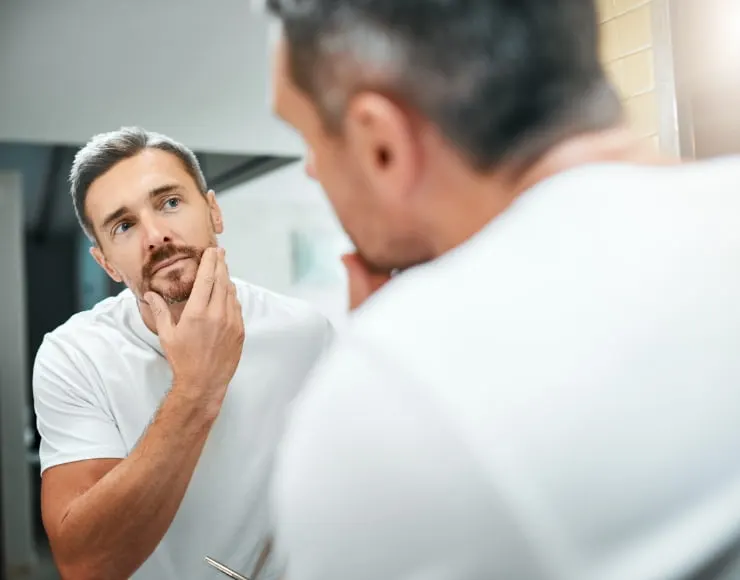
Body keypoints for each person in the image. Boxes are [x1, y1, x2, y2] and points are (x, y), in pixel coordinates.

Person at [263, 0, 740, 579]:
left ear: (380, 143)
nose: (312, 170)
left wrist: (396, 354)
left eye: (309, 139)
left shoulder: (398, 396)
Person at [32, 127, 333, 580]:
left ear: (213, 211)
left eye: (170, 202)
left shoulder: (306, 333)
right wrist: (196, 387)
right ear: (107, 263)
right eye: (124, 226)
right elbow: (86, 564)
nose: (156, 236)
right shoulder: (73, 356)